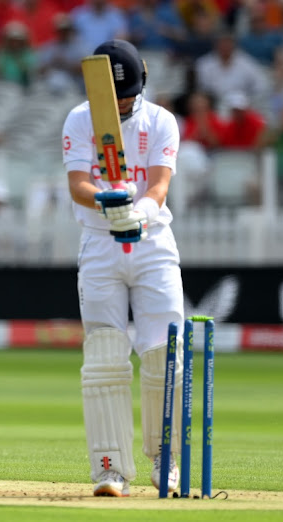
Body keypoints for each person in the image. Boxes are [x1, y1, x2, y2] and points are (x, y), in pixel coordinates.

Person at [61, 39, 184, 497]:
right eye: (113, 98)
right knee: (105, 357)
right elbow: (78, 184)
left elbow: (159, 185)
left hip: (152, 244)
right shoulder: (79, 118)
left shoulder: (161, 121)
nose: (121, 104)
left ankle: (168, 460)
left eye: (127, 95)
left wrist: (139, 213)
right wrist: (106, 201)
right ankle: (110, 467)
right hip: (98, 244)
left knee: (164, 354)